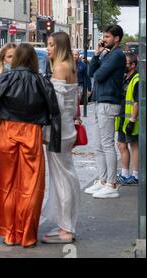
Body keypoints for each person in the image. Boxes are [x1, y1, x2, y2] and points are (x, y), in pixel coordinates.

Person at [0, 43, 61, 248]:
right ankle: (27, 234)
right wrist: (55, 143)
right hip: (31, 134)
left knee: (4, 184)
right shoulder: (42, 81)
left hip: (6, 133)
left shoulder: (3, 78)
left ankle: (9, 232)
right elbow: (55, 112)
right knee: (31, 186)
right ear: (34, 59)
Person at [42, 32, 81, 244]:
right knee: (66, 176)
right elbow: (73, 104)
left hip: (59, 131)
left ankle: (66, 228)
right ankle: (66, 225)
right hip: (66, 129)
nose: (48, 49)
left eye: (50, 45)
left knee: (62, 179)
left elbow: (53, 104)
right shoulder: (71, 66)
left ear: (60, 47)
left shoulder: (59, 68)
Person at [85, 25, 126, 199]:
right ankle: (103, 180)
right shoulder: (107, 54)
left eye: (107, 37)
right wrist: (96, 54)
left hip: (108, 102)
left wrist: (99, 63)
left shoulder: (117, 55)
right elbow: (91, 72)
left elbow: (99, 76)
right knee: (98, 144)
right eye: (104, 36)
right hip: (100, 100)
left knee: (107, 144)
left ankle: (111, 183)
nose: (104, 39)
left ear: (116, 38)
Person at [115, 52, 140, 186]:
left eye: (126, 63)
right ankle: (125, 174)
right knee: (122, 145)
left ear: (133, 65)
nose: (124, 65)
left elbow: (136, 102)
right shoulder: (125, 78)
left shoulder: (136, 80)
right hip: (123, 119)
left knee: (134, 146)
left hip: (131, 121)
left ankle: (135, 175)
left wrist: (132, 120)